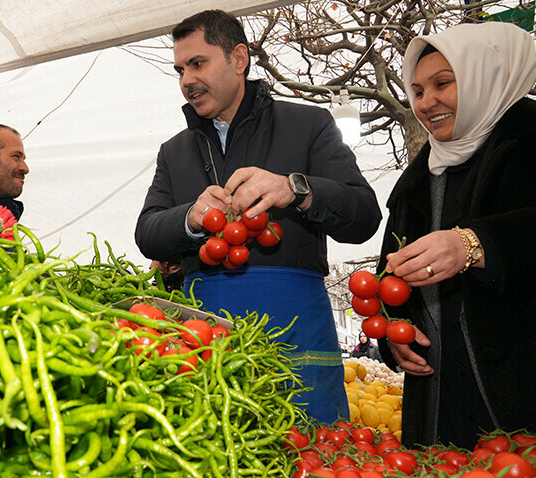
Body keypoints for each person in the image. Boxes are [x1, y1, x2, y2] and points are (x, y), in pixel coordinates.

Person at [134, 9, 381, 424]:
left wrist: (297, 189)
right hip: (204, 340)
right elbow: (147, 232)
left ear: (238, 59)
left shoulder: (309, 125)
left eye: (197, 63)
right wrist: (191, 219)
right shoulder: (174, 151)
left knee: (311, 452)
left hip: (296, 333)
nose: (186, 80)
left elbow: (364, 215)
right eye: (179, 69)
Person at [377, 22, 536, 449]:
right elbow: (389, 272)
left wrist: (476, 243)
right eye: (418, 91)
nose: (427, 103)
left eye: (443, 84)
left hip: (518, 381)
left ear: (484, 76)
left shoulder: (529, 140)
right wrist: (395, 333)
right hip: (439, 391)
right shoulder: (421, 174)